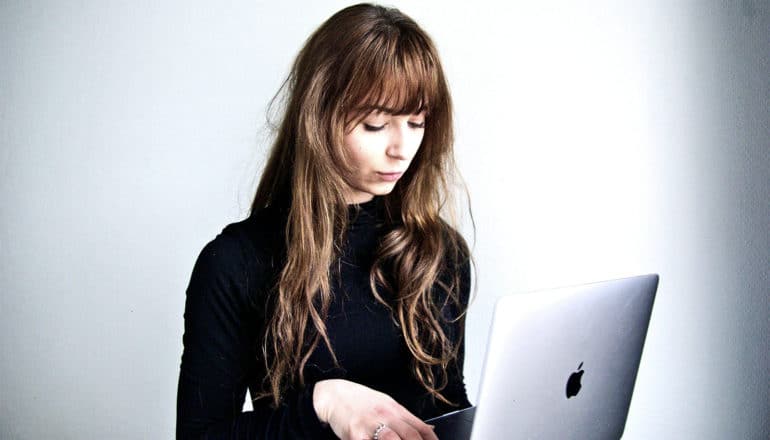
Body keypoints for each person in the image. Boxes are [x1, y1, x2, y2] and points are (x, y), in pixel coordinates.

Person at [176, 3, 473, 439]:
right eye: (375, 124)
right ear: (319, 117)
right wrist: (322, 403)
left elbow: (445, 404)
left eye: (417, 122)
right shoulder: (235, 263)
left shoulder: (439, 251)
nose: (402, 148)